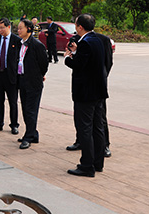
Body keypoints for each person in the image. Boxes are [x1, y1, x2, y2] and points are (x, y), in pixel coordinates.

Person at [64, 14, 108, 177]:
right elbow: (91, 63)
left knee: (85, 129)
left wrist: (68, 58)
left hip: (85, 93)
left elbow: (79, 65)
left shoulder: (85, 43)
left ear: (80, 27)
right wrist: (77, 52)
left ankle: (87, 165)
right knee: (97, 127)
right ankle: (97, 163)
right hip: (98, 91)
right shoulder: (97, 40)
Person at [67, 31, 114, 158]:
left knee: (99, 118)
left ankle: (104, 145)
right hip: (82, 87)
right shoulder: (77, 39)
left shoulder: (103, 39)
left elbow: (108, 62)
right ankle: (80, 141)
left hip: (96, 87)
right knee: (81, 119)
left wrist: (99, 78)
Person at [16, 19, 49, 149]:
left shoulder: (36, 45)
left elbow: (44, 64)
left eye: (21, 28)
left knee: (31, 110)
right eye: (18, 28)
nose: (18, 30)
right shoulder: (20, 43)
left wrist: (39, 75)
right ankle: (33, 134)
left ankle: (28, 137)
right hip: (22, 80)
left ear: (29, 29)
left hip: (33, 82)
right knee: (25, 109)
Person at [0, 18, 21, 134]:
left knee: (13, 102)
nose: (0, 30)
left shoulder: (16, 40)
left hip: (10, 75)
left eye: (2, 28)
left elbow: (20, 58)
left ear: (8, 27)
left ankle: (14, 125)